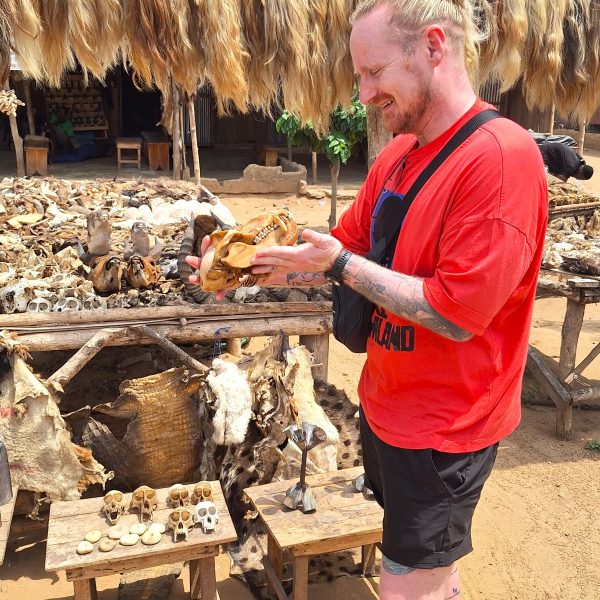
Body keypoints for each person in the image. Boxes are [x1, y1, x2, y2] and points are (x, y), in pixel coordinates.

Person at [187, 1, 548, 598]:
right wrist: (260, 268)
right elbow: (340, 256)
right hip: (386, 407)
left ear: (433, 46)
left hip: (445, 432)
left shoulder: (499, 159)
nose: (363, 93)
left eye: (374, 72)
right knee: (427, 567)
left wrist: (341, 264)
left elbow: (455, 315)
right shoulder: (398, 157)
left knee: (408, 580)